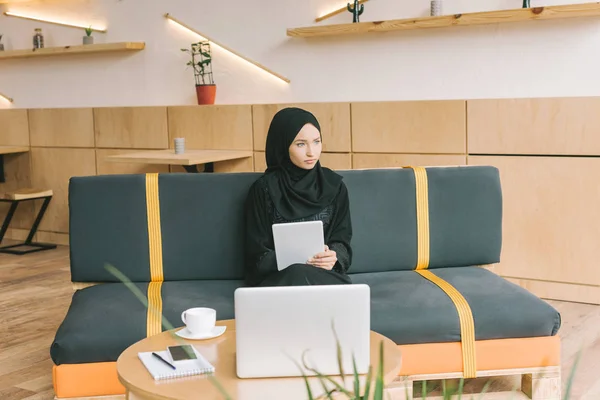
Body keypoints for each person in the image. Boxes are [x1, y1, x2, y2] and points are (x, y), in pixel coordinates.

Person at [243, 107, 353, 287]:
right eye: (301, 144)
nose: (312, 152)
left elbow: (343, 244)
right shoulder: (263, 190)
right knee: (297, 272)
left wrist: (333, 256)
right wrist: (295, 260)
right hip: (280, 280)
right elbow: (256, 256)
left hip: (322, 278)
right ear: (282, 145)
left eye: (317, 142)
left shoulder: (335, 187)